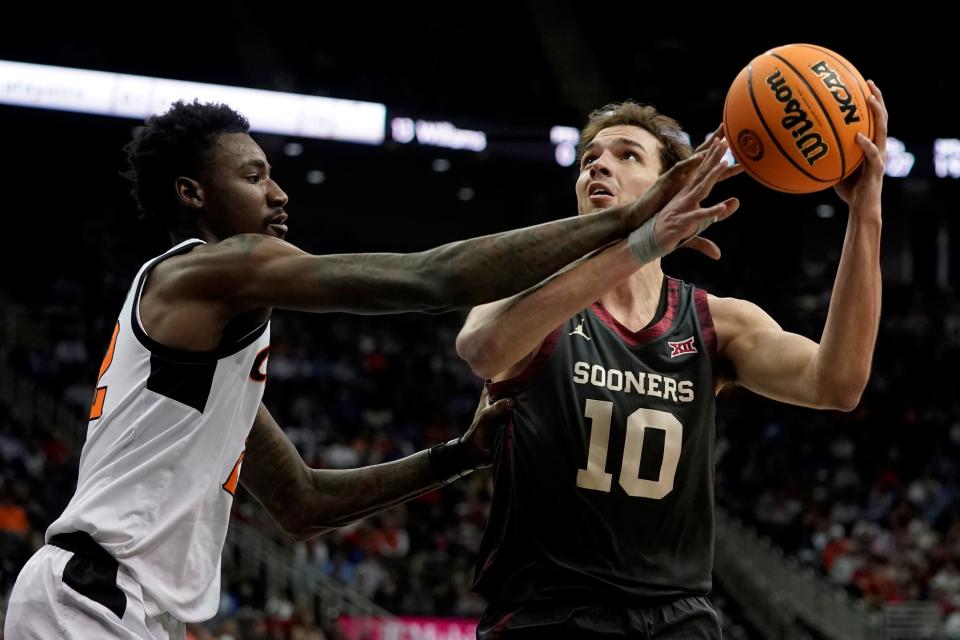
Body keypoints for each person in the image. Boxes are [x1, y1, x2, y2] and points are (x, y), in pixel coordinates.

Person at [2, 98, 731, 640]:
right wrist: (624, 228)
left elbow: (302, 501)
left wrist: (456, 457)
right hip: (89, 601)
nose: (279, 193)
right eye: (255, 176)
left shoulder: (204, 351)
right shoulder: (208, 270)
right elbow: (426, 280)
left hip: (127, 610)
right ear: (194, 195)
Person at [456, 84, 887, 639]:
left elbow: (839, 382)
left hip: (677, 616)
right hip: (547, 612)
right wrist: (637, 245)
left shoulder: (717, 322)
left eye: (626, 155)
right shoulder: (527, 288)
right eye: (590, 160)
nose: (598, 167)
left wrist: (866, 214)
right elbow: (482, 350)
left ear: (669, 188)